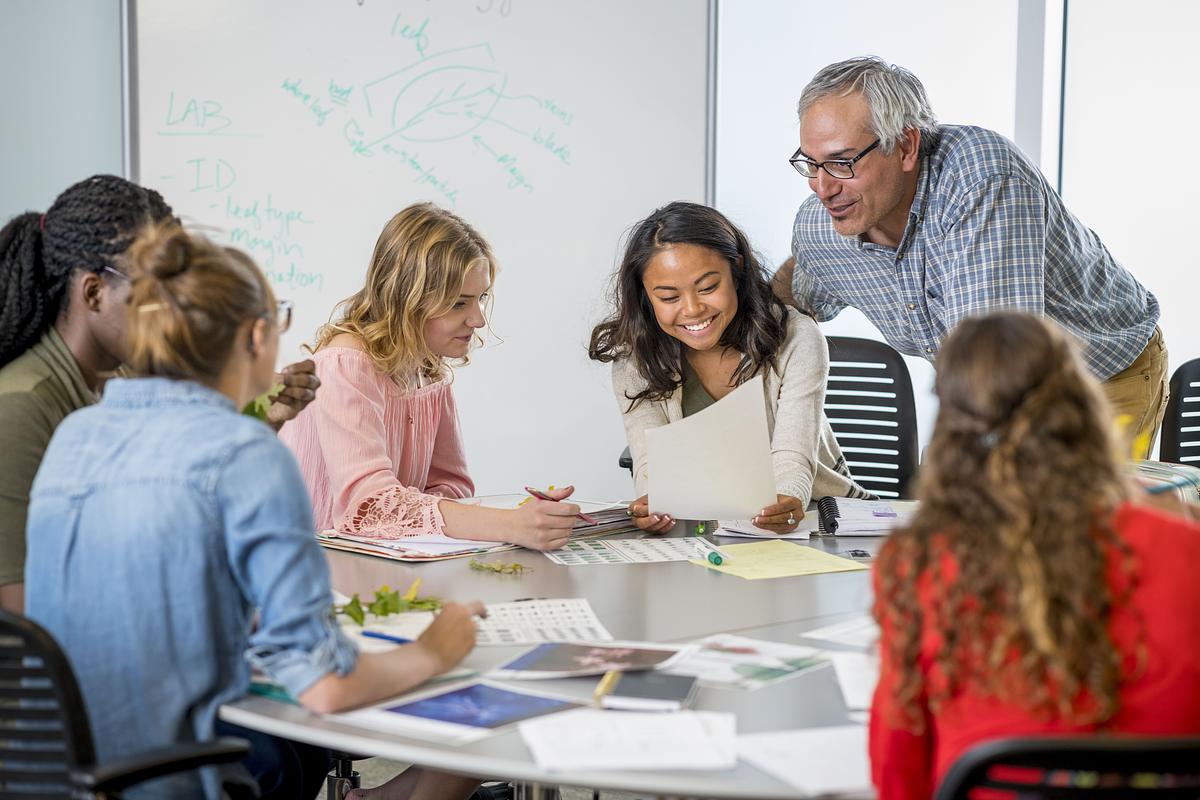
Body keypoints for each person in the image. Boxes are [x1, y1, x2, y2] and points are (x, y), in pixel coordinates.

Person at [24, 223, 485, 800]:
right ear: (259, 335)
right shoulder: (248, 457)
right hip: (190, 770)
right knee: (453, 712)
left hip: (65, 765)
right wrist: (434, 651)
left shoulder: (77, 433)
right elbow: (327, 687)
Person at [869, 311, 1200, 800]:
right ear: (1082, 410)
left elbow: (900, 772)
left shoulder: (916, 562)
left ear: (952, 428)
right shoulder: (1184, 547)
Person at [774, 56, 1166, 457]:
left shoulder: (981, 182)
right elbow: (796, 294)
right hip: (998, 393)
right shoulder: (822, 227)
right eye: (811, 164)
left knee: (1075, 518)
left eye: (842, 162)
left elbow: (998, 373)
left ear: (906, 146)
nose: (822, 187)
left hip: (1102, 376)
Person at [0, 175, 319, 613]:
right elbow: (21, 614)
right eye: (153, 291)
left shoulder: (130, 379)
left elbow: (183, 477)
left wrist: (265, 418)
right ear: (94, 292)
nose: (173, 311)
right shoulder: (19, 406)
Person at [281, 202, 581, 550]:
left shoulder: (428, 370)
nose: (478, 319)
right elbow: (369, 507)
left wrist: (520, 519)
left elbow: (451, 484)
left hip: (383, 563)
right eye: (458, 303)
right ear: (407, 300)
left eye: (481, 298)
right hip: (311, 569)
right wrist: (509, 524)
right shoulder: (345, 364)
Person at [589, 201, 869, 533]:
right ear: (645, 296)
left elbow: (793, 458)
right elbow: (651, 461)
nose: (692, 309)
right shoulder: (635, 355)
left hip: (817, 518)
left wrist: (786, 502)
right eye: (668, 298)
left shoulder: (796, 336)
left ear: (736, 269)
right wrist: (654, 504)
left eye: (708, 288)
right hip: (706, 526)